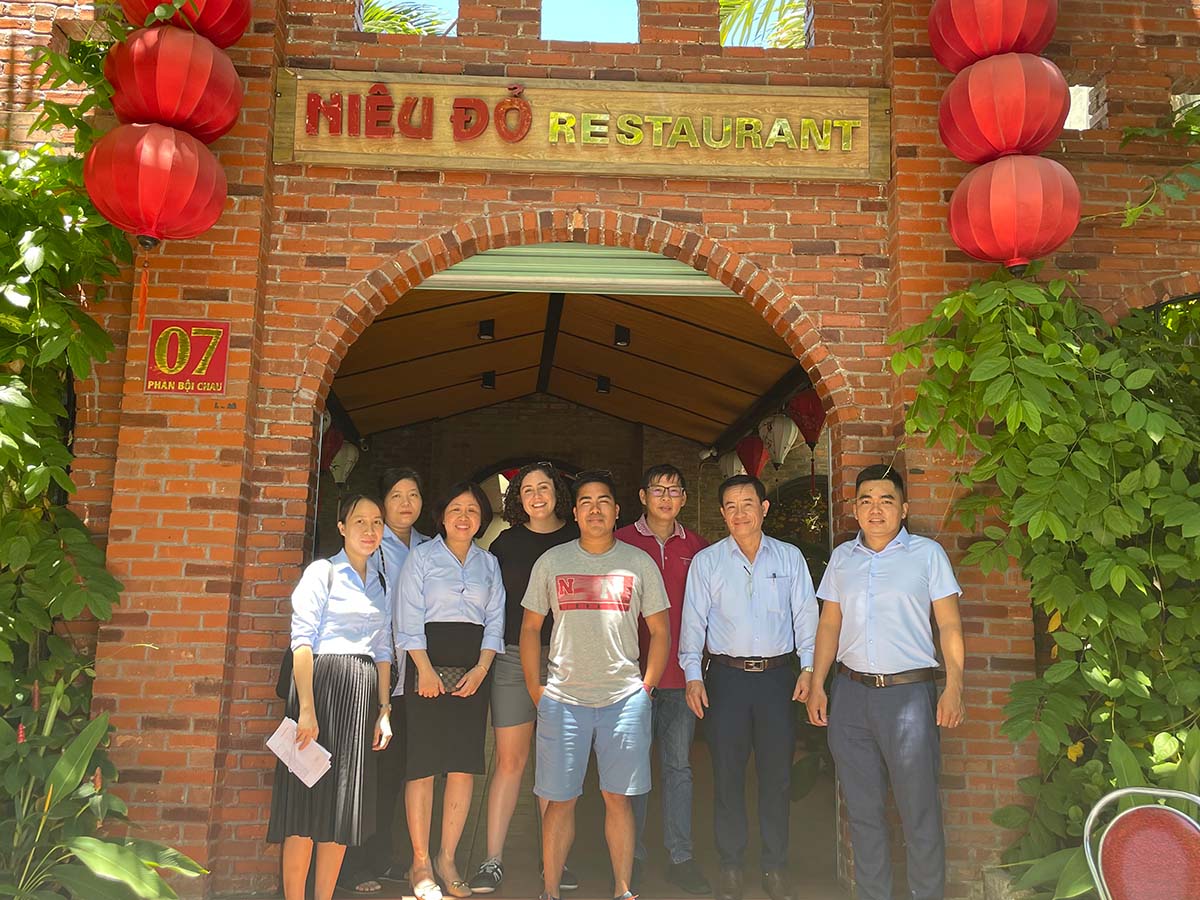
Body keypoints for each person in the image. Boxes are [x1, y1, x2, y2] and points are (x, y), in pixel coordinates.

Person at [805, 464, 965, 900]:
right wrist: (818, 684)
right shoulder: (843, 558)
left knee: (920, 813)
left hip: (910, 697)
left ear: (904, 508)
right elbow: (829, 626)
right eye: (866, 501)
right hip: (851, 696)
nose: (875, 510)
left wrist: (953, 687)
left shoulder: (927, 555)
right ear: (855, 509)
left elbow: (949, 625)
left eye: (886, 500)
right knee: (863, 812)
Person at [520, 470, 672, 900]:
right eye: (585, 501)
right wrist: (537, 689)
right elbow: (530, 628)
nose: (594, 509)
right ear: (575, 511)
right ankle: (550, 892)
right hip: (563, 700)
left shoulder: (638, 563)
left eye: (603, 500)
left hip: (623, 700)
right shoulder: (552, 561)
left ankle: (623, 889)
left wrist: (646, 688)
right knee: (558, 800)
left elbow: (660, 631)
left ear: (617, 509)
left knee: (617, 798)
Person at [679, 474, 818, 900]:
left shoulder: (789, 558)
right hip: (726, 680)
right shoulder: (708, 562)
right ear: (722, 514)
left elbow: (806, 617)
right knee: (727, 775)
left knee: (777, 776)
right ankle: (732, 865)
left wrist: (809, 669)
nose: (740, 513)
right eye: (731, 506)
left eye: (747, 504)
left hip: (778, 679)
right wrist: (692, 675)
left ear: (764, 508)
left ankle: (775, 866)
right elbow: (693, 623)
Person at [268, 494, 394, 900]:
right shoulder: (322, 572)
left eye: (377, 522)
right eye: (360, 522)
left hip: (360, 700)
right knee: (304, 809)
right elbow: (302, 641)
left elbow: (383, 651)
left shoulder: (381, 580)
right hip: (319, 692)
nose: (370, 530)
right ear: (342, 527)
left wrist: (384, 709)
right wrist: (307, 709)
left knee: (343, 807)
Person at [468, 462, 581, 895]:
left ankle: (553, 861)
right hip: (515, 659)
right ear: (518, 498)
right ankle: (492, 860)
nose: (536, 495)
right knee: (510, 763)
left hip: (567, 662)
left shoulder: (577, 537)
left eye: (544, 487)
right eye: (527, 489)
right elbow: (493, 606)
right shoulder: (505, 543)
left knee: (556, 766)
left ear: (557, 494)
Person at [397, 481, 505, 900]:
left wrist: (482, 669)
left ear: (481, 520)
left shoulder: (488, 563)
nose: (464, 517)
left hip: (472, 672)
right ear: (441, 517)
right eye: (456, 509)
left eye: (473, 511)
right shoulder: (421, 558)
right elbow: (407, 618)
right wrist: (422, 669)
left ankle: (447, 857)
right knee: (423, 764)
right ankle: (420, 862)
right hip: (425, 665)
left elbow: (495, 620)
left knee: (462, 764)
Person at [615, 464, 711, 896]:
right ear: (642, 495)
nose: (666, 497)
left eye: (675, 491)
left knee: (679, 768)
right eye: (658, 489)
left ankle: (681, 857)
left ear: (684, 499)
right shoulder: (620, 541)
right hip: (629, 677)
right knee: (631, 770)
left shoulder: (699, 548)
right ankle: (630, 858)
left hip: (680, 676)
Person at [339, 468, 429, 894]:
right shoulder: (373, 546)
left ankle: (382, 856)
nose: (406, 503)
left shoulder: (431, 547)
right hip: (376, 673)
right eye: (397, 495)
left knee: (397, 770)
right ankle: (356, 863)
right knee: (366, 771)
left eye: (413, 495)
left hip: (415, 677)